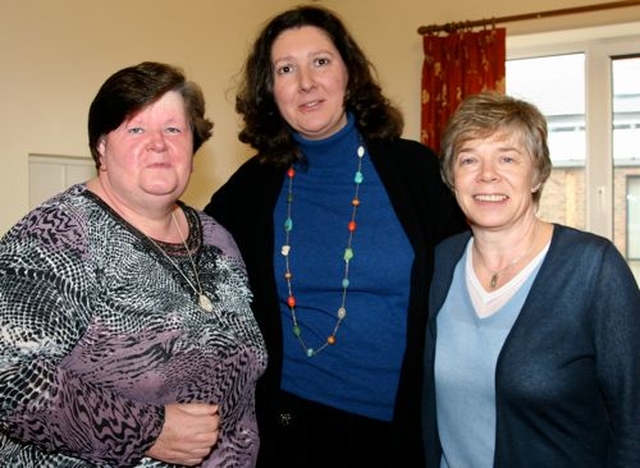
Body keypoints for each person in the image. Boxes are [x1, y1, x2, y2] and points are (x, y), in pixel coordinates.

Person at [204, 5, 467, 467]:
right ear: (271, 90)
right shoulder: (252, 187)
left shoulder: (415, 170)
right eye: (286, 69)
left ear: (349, 72)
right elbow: (183, 256)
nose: (306, 82)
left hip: (400, 425)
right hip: (289, 425)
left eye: (320, 61)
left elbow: (478, 267)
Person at [0, 61, 267, 467]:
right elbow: (8, 377)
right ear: (102, 148)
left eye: (174, 129)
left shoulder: (216, 237)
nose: (158, 143)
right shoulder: (58, 234)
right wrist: (149, 431)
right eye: (136, 128)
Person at [422, 91, 640, 467]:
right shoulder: (441, 262)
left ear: (537, 174)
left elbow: (633, 420)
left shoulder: (594, 268)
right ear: (450, 176)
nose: (487, 174)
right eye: (469, 159)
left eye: (507, 158)